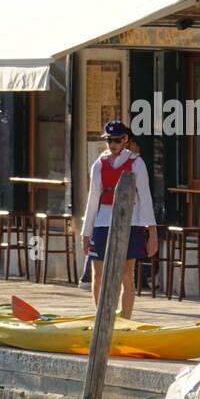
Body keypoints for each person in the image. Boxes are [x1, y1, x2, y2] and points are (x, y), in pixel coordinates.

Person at [80, 120, 158, 320]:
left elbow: (146, 198)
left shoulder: (137, 163)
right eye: (108, 140)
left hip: (129, 223)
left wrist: (152, 233)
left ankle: (125, 319)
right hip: (102, 221)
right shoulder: (99, 164)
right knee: (98, 274)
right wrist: (85, 232)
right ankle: (101, 318)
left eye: (116, 140)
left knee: (126, 274)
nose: (112, 144)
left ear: (125, 140)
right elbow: (92, 200)